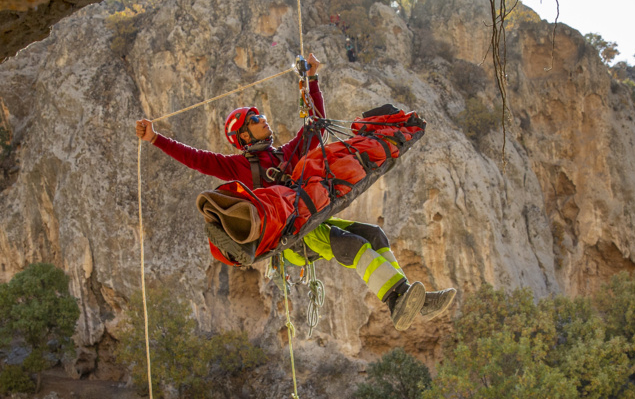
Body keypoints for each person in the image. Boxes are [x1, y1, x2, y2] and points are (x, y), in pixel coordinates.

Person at [135, 54, 456, 332]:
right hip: (289, 236)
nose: (264, 121)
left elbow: (315, 125)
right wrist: (155, 139)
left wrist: (312, 80)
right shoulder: (239, 167)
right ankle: (397, 298)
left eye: (262, 116)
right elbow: (197, 159)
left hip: (306, 219)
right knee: (353, 245)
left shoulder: (284, 155)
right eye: (256, 120)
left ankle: (409, 300)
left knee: (373, 234)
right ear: (243, 136)